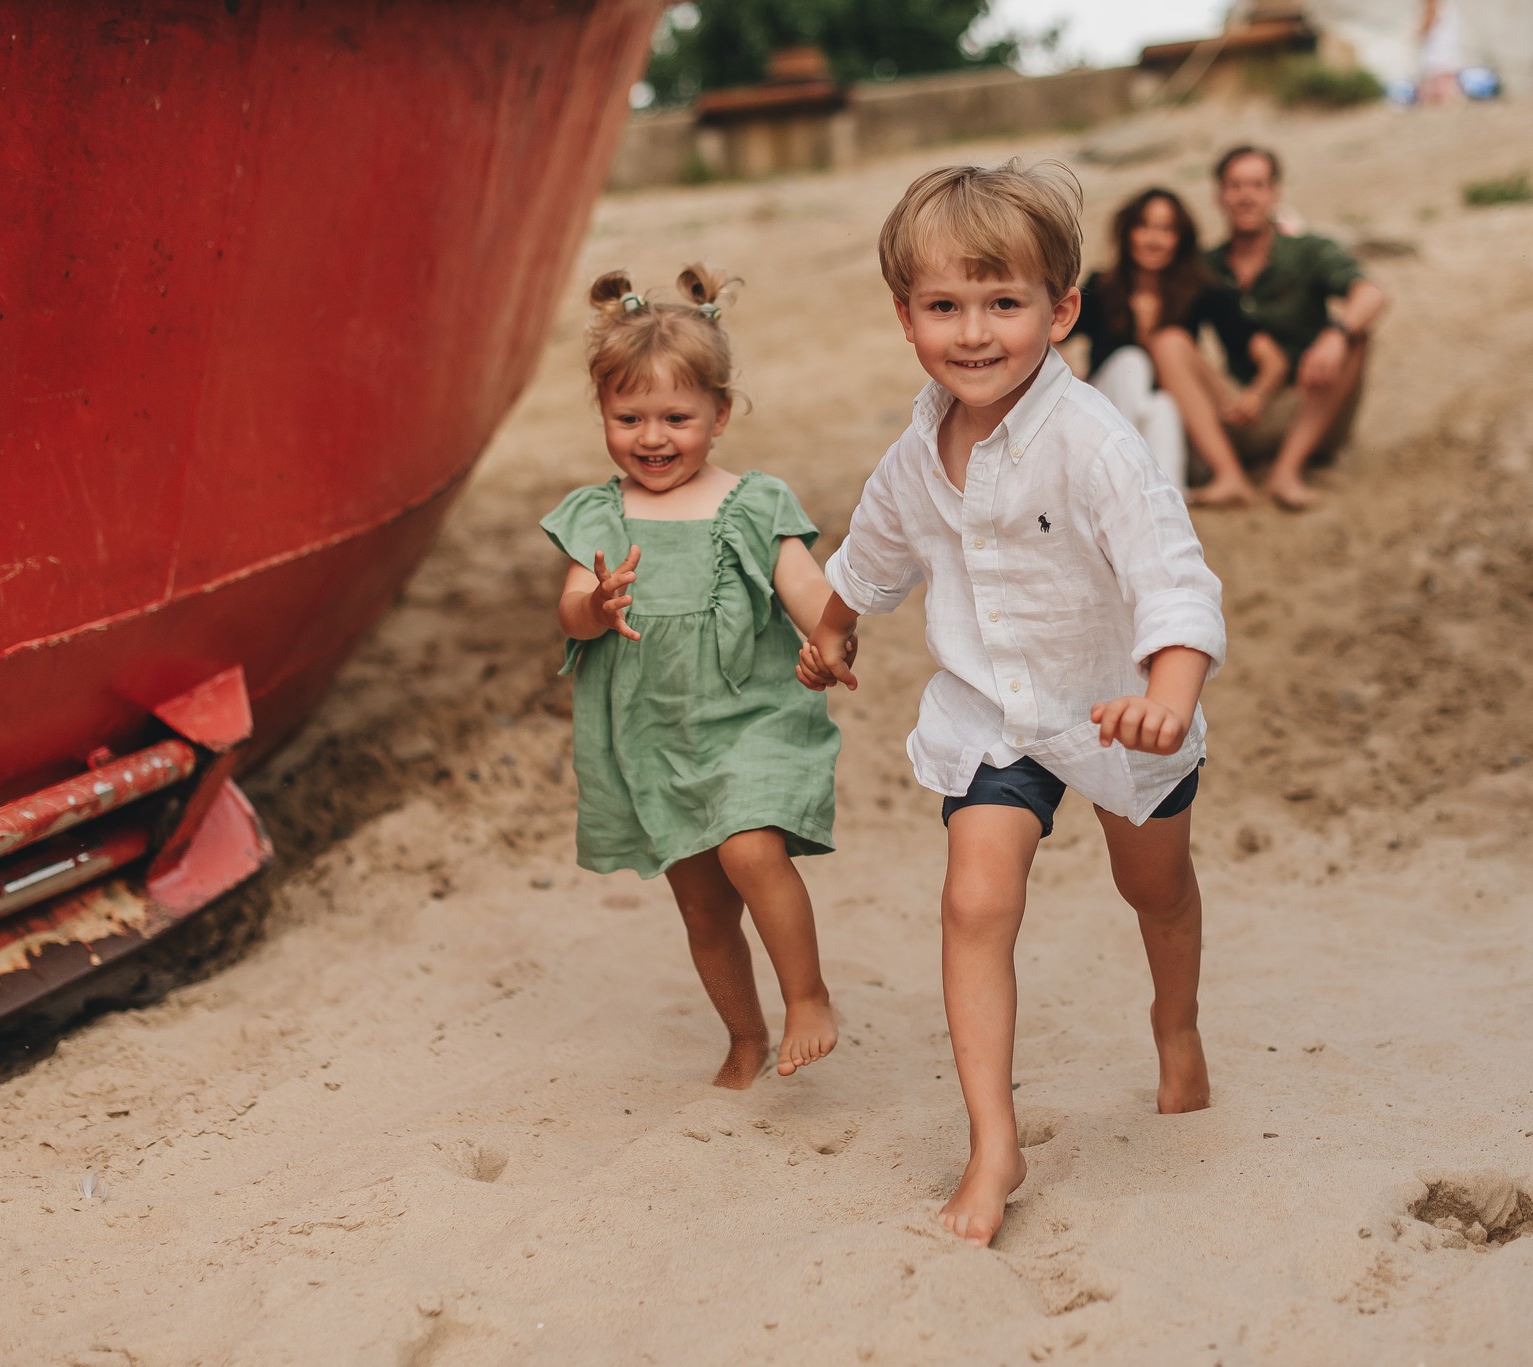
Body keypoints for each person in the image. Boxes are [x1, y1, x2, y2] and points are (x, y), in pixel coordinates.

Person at [798, 162, 1226, 1247]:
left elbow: (1171, 575)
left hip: (1114, 710)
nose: (974, 332)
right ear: (905, 318)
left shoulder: (1092, 442)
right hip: (993, 713)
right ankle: (994, 1136)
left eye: (1004, 303)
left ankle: (1173, 1022)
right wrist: (834, 624)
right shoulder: (914, 452)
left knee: (1155, 887)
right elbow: (874, 554)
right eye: (944, 306)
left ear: (1060, 307)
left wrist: (1166, 695)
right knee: (973, 900)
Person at [541, 265, 843, 1088]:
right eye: (628, 416)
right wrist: (595, 606)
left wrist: (833, 635)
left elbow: (805, 585)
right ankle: (744, 1037)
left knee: (750, 848)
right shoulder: (596, 516)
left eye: (676, 416)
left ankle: (808, 995)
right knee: (704, 909)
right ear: (602, 413)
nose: (652, 437)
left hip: (748, 713)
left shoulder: (753, 502)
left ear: (721, 412)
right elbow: (570, 609)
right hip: (653, 735)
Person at [1063, 187, 1286, 509]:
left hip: (1169, 427)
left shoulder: (1199, 290)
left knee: (1164, 397)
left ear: (1180, 239)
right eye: (1145, 227)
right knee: (1131, 362)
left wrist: (1256, 395)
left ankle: (1171, 495)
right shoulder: (1103, 286)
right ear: (1127, 233)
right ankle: (1122, 479)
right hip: (1110, 416)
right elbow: (1048, 335)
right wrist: (1072, 377)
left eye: (1167, 230)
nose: (1154, 239)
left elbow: (1273, 359)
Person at [1204, 145, 1389, 510]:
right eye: (1235, 185)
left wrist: (1336, 333)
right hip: (1244, 413)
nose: (1246, 196)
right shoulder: (1206, 266)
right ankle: (1227, 473)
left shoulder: (1308, 250)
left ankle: (1286, 473)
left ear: (1275, 193)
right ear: (1219, 195)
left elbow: (1371, 294)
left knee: (1356, 337)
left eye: (1257, 185)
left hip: (1312, 407)